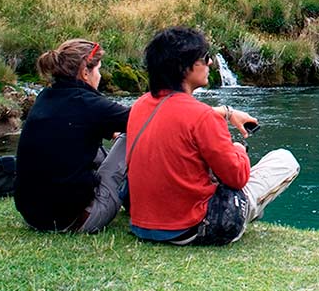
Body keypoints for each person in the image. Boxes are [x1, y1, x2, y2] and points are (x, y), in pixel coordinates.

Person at [127, 27, 299, 245]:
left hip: (144, 225)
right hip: (192, 228)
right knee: (284, 160)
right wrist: (238, 149)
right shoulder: (202, 117)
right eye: (205, 58)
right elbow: (237, 177)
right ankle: (246, 215)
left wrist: (227, 113)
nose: (209, 63)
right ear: (184, 67)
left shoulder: (139, 105)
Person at [14, 39, 130, 233]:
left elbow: (77, 123)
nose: (99, 76)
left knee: (98, 152)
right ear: (85, 72)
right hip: (74, 221)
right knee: (130, 137)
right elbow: (146, 119)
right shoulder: (92, 104)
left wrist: (108, 130)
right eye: (98, 70)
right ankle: (139, 203)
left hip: (33, 217)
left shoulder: (45, 96)